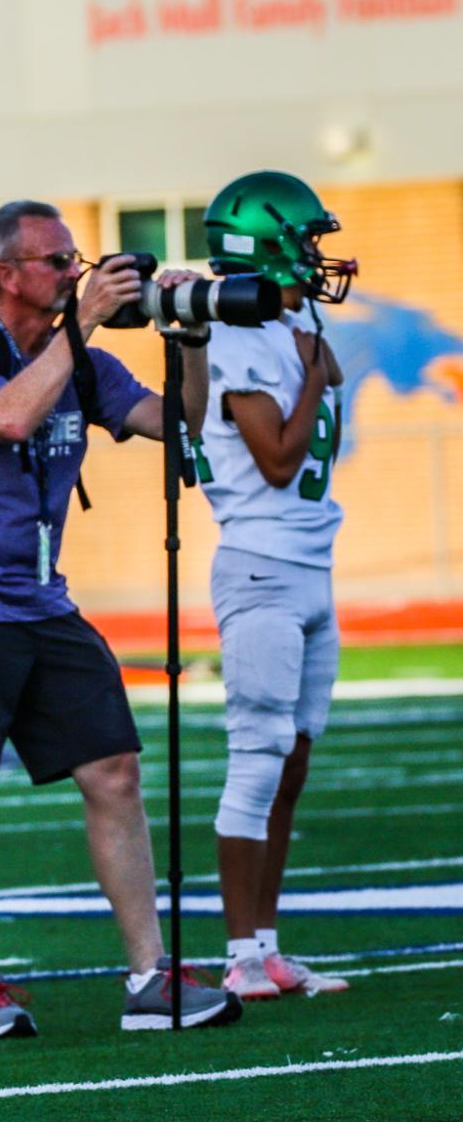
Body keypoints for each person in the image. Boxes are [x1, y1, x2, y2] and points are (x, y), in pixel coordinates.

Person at [0, 202, 240, 1040]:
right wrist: (76, 328)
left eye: (77, 259)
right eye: (56, 261)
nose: (75, 273)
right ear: (5, 275)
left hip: (40, 599)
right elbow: (6, 418)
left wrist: (189, 344)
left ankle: (151, 975)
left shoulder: (87, 360)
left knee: (114, 769)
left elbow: (178, 423)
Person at [191, 171, 357, 1001]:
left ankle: (267, 943)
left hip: (308, 563)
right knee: (255, 761)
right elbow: (279, 459)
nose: (318, 256)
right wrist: (312, 376)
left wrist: (309, 362)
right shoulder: (236, 337)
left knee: (291, 762)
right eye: (306, 238)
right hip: (258, 565)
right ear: (270, 242)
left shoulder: (290, 324)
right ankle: (238, 955)